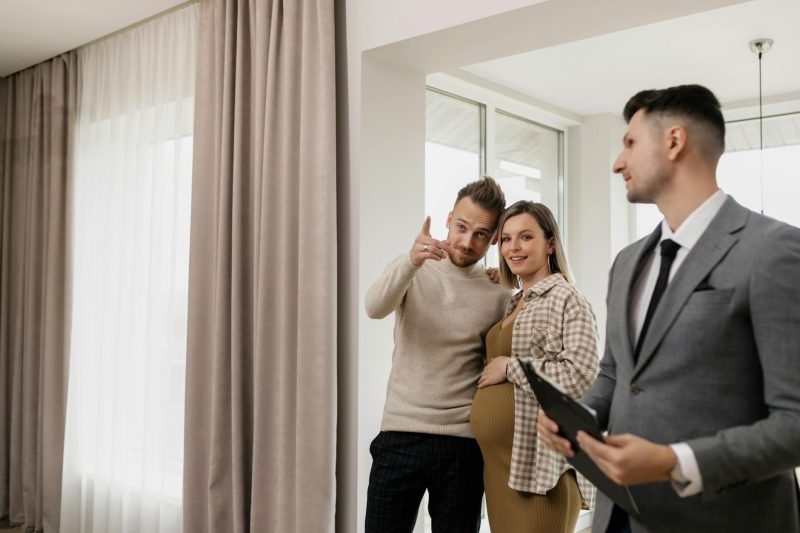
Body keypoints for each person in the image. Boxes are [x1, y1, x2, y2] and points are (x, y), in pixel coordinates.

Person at [538, 84, 800, 533]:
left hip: (724, 520)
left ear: (674, 141)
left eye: (630, 143)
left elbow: (794, 424)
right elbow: (615, 375)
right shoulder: (626, 263)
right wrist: (576, 418)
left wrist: (672, 462)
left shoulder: (774, 250)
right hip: (618, 517)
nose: (617, 162)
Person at [364, 177, 509, 533]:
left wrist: (510, 280)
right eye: (461, 227)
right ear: (448, 219)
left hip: (462, 442)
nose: (466, 241)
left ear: (492, 240)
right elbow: (373, 307)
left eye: (481, 234)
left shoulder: (497, 293)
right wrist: (411, 262)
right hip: (401, 432)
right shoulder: (415, 269)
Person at [470, 200, 599, 533]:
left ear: (550, 244)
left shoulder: (567, 298)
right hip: (500, 471)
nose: (514, 247)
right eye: (507, 238)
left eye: (526, 237)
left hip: (540, 472)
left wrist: (512, 368)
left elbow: (581, 374)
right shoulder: (513, 302)